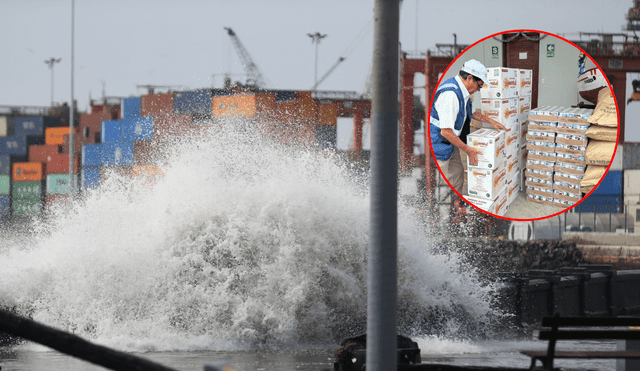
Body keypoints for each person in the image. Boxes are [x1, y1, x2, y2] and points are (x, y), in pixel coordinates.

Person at [429, 59, 508, 194]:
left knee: (458, 173)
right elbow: (446, 132)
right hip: (438, 146)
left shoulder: (463, 92)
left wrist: (490, 121)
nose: (479, 90)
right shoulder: (451, 95)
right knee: (444, 186)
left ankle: (456, 203)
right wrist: (468, 149)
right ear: (470, 78)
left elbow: (471, 113)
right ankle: (447, 210)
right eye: (480, 86)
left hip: (451, 143)